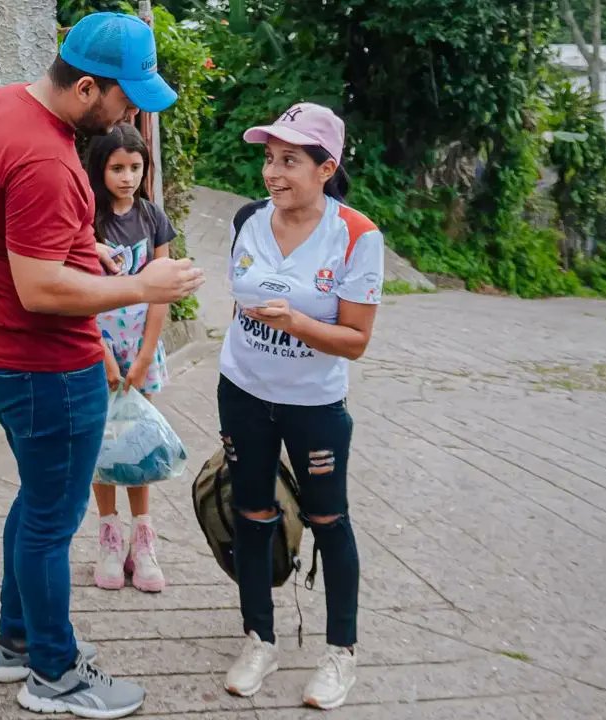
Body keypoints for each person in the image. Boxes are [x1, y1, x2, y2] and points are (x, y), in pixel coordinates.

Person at [0, 12, 204, 719]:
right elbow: (39, 289)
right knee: (51, 519)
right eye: (126, 98)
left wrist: (76, 244)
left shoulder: (1, 107)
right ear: (87, 86)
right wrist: (141, 284)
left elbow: (18, 232)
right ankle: (55, 673)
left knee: (35, 502)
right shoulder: (48, 161)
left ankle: (15, 645)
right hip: (48, 370)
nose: (132, 114)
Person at [216, 103, 383, 710]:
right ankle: (259, 638)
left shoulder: (358, 237)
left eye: (289, 160)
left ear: (325, 167)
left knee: (328, 521)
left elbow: (357, 342)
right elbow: (237, 302)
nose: (272, 172)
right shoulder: (246, 220)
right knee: (253, 515)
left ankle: (341, 653)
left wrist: (296, 321)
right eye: (268, 158)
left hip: (313, 404)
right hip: (242, 390)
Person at [84, 123, 176, 594]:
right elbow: (80, 291)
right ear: (99, 170)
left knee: (138, 440)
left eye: (135, 167)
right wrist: (102, 355)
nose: (127, 177)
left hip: (142, 348)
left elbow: (161, 291)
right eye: (117, 167)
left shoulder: (154, 218)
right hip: (96, 348)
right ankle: (108, 535)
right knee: (103, 440)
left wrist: (142, 359)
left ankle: (143, 538)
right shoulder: (88, 223)